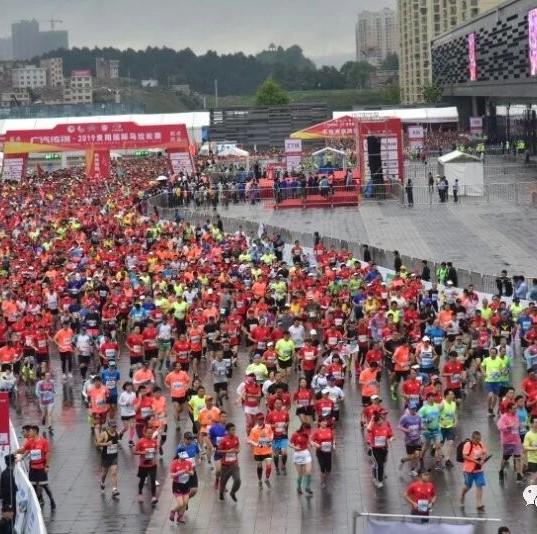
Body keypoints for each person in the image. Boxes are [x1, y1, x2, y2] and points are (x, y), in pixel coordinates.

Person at [16, 424, 55, 510]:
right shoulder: (30, 441)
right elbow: (23, 450)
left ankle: (52, 500)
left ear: (35, 431)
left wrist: (47, 466)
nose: (29, 433)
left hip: (41, 467)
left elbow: (47, 454)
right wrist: (14, 452)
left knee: (44, 485)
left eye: (31, 431)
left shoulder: (44, 442)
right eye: (29, 431)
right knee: (33, 486)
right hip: (33, 468)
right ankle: (37, 502)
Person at [460, 430, 488, 511]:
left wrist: (483, 459)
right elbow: (464, 456)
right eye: (477, 440)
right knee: (468, 486)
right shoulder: (468, 445)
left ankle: (479, 504)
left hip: (479, 470)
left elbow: (485, 453)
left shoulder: (481, 444)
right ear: (472, 438)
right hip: (469, 470)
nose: (478, 441)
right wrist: (475, 461)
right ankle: (462, 495)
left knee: (479, 485)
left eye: (479, 439)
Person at [367, 411, 394, 488]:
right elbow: (368, 429)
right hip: (375, 450)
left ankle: (376, 473)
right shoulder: (373, 428)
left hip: (384, 449)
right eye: (378, 420)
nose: (380, 421)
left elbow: (390, 435)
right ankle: (378, 480)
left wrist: (391, 438)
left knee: (382, 464)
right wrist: (372, 418)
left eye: (381, 420)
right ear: (376, 421)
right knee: (379, 465)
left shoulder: (385, 428)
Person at [133, 425, 159, 505]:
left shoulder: (154, 441)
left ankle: (153, 497)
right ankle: (140, 493)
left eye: (151, 433)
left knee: (153, 480)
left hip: (152, 465)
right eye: (148, 433)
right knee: (142, 480)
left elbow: (156, 450)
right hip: (143, 465)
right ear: (145, 433)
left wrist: (155, 452)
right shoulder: (141, 441)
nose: (150, 435)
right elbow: (134, 452)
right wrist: (143, 453)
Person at [247, 414, 274, 488]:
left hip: (267, 451)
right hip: (258, 452)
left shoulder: (268, 427)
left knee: (269, 466)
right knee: (259, 467)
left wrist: (270, 440)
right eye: (259, 419)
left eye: (262, 419)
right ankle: (259, 480)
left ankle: (267, 479)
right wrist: (257, 445)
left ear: (264, 419)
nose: (261, 421)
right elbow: (249, 440)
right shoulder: (254, 430)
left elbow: (271, 434)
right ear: (257, 420)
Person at [169, 450, 195, 525]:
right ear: (179, 455)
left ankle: (180, 517)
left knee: (185, 503)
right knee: (180, 504)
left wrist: (188, 472)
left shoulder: (188, 463)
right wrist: (179, 472)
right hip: (177, 485)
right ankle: (173, 511)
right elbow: (171, 475)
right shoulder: (174, 463)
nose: (184, 458)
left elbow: (192, 473)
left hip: (186, 485)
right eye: (183, 457)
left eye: (185, 457)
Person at [95, 420, 120, 497]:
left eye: (115, 426)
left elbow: (117, 440)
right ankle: (102, 482)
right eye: (113, 427)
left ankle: (114, 489)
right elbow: (97, 444)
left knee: (114, 472)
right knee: (104, 474)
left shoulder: (116, 433)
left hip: (114, 457)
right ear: (109, 427)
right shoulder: (104, 434)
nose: (114, 428)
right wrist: (106, 444)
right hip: (106, 457)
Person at [218, 422, 241, 501]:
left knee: (238, 480)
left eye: (234, 429)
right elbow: (219, 451)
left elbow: (238, 448)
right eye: (232, 430)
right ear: (227, 431)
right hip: (225, 466)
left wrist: (237, 451)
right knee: (223, 483)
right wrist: (228, 451)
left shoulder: (236, 438)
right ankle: (221, 492)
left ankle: (232, 492)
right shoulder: (223, 440)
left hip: (234, 465)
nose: (234, 431)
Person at [310, 417, 335, 488]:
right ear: (319, 423)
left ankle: (325, 478)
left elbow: (332, 438)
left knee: (328, 469)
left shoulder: (329, 430)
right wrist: (315, 444)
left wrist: (333, 444)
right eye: (323, 422)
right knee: (322, 467)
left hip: (328, 452)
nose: (325, 423)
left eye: (325, 421)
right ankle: (322, 482)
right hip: (320, 452)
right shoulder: (316, 431)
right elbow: (311, 441)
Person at [290, 423, 313, 495]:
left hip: (306, 453)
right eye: (307, 430)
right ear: (303, 428)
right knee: (300, 474)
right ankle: (299, 487)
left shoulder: (307, 435)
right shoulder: (295, 434)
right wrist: (295, 447)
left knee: (308, 471)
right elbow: (290, 443)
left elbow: (310, 441)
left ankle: (307, 487)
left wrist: (313, 444)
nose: (308, 432)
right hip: (298, 455)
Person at [523, 417, 537, 484]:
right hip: (532, 460)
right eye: (536, 422)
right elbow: (525, 447)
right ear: (531, 424)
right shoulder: (528, 435)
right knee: (533, 479)